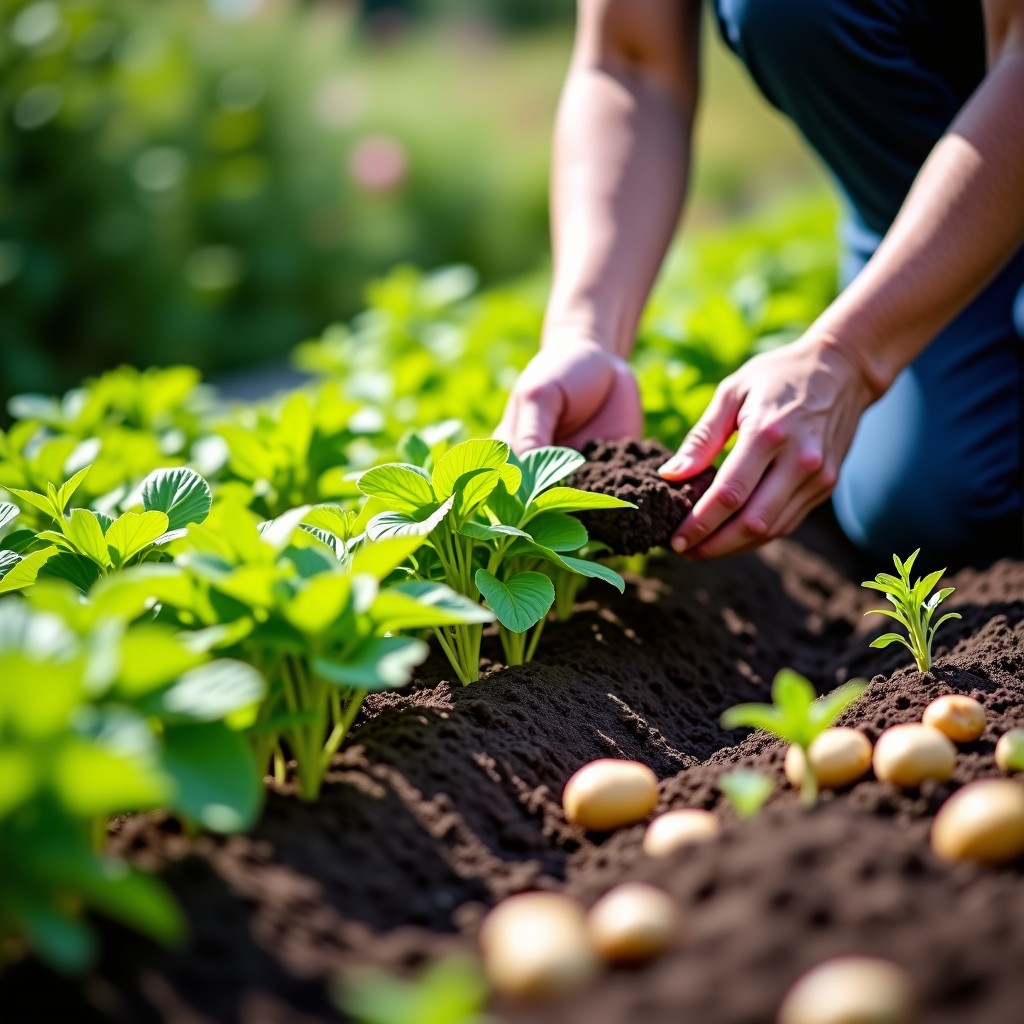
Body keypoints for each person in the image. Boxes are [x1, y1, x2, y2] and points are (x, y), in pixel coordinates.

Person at [496, 0, 1024, 565]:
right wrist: (586, 332)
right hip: (908, 210)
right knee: (929, 508)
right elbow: (630, 63)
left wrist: (848, 352)